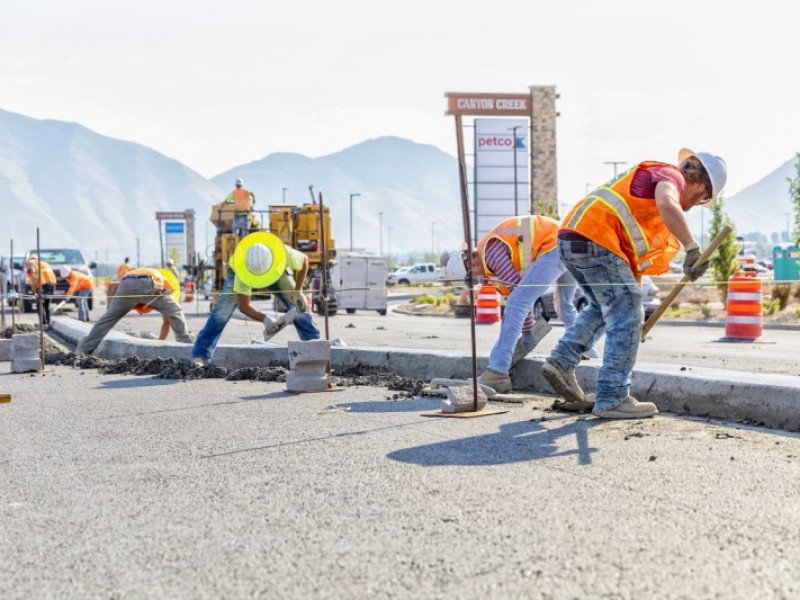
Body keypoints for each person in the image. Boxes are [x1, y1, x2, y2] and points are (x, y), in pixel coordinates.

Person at [541, 148, 727, 419]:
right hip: (596, 237)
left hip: (574, 238)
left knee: (602, 308)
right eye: (702, 200)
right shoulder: (670, 175)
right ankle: (613, 396)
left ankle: (561, 361)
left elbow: (630, 256)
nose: (695, 205)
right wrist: (692, 247)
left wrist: (631, 307)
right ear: (701, 185)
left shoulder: (645, 193)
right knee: (624, 310)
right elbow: (667, 203)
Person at [446, 215, 597, 395]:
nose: (474, 266)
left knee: (516, 304)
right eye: (470, 269)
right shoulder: (489, 251)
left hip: (553, 246)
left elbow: (518, 297)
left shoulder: (490, 252)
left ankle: (497, 372)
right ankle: (587, 350)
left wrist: (527, 333)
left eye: (469, 263)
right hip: (570, 242)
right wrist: (527, 331)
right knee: (564, 305)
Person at [192, 231, 320, 365]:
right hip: (244, 272)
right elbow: (243, 305)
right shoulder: (241, 269)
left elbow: (304, 260)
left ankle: (315, 346)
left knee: (298, 305)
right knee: (222, 313)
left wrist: (298, 291)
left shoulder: (282, 251)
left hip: (277, 270)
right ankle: (201, 354)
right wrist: (266, 320)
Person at [77, 267, 193, 355]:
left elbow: (112, 286)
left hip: (126, 283)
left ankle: (83, 350)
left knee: (107, 319)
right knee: (176, 310)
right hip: (148, 282)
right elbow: (169, 313)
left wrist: (111, 311)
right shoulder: (165, 281)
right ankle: (186, 346)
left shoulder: (138, 271)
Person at [25, 257, 57, 325]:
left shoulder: (31, 263)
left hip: (42, 285)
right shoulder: (45, 263)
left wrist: (33, 286)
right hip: (52, 284)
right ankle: (48, 322)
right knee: (47, 305)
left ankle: (42, 323)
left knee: (40, 304)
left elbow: (33, 273)